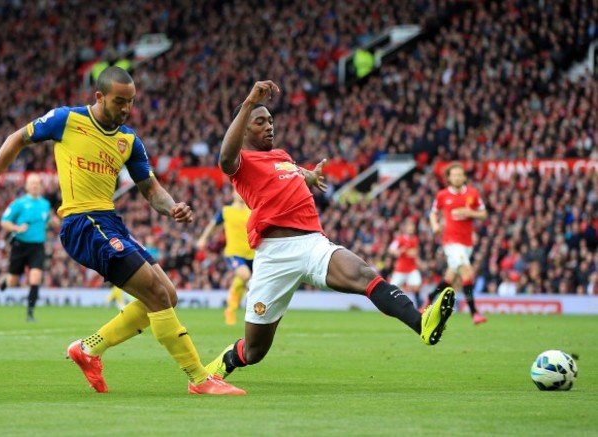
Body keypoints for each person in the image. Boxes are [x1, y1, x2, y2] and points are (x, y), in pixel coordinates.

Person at [0, 66, 245, 396]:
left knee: (168, 295)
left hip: (110, 222)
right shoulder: (66, 120)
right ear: (99, 97)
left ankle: (88, 348)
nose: (125, 109)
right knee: (156, 295)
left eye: (131, 102)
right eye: (119, 101)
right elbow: (17, 138)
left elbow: (151, 188)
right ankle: (199, 378)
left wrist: (172, 208)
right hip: (82, 222)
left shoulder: (129, 141)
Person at [204, 80, 456, 383]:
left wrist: (309, 176)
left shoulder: (281, 155)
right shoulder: (241, 162)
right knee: (255, 350)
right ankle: (227, 361)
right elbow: (224, 159)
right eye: (260, 122)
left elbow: (289, 174)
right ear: (243, 128)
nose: (270, 126)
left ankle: (422, 323)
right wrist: (248, 103)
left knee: (363, 273)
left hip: (312, 243)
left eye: (271, 120)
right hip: (275, 255)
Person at [427, 162, 488, 325]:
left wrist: (470, 213)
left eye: (460, 175)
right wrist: (434, 225)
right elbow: (433, 212)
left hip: (467, 243)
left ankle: (428, 299)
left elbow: (484, 214)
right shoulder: (442, 195)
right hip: (451, 242)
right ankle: (474, 313)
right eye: (454, 175)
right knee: (467, 272)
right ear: (449, 178)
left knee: (450, 276)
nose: (457, 177)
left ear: (464, 177)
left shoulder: (473, 194)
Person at [0, 173, 52, 322]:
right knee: (13, 281)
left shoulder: (45, 204)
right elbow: (4, 221)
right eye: (32, 183)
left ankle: (30, 313)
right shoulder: (18, 204)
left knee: (35, 277)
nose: (35, 186)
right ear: (27, 186)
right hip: (20, 245)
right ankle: (6, 280)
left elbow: (47, 221)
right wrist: (16, 228)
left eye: (37, 183)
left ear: (41, 186)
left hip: (37, 246)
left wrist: (54, 222)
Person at [197, 189, 254, 325]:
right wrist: (203, 238)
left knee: (242, 280)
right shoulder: (226, 211)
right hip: (234, 253)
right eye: (237, 191)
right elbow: (212, 225)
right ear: (233, 194)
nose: (240, 193)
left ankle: (230, 309)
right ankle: (249, 308)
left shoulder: (252, 210)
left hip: (254, 253)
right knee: (245, 276)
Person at [388, 219, 422, 309]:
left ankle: (419, 307)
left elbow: (415, 252)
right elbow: (391, 250)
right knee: (392, 289)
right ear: (406, 228)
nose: (412, 229)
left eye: (413, 227)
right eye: (410, 227)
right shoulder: (400, 239)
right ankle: (388, 308)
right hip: (401, 269)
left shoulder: (415, 239)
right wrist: (399, 251)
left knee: (417, 285)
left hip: (411, 268)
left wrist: (407, 252)